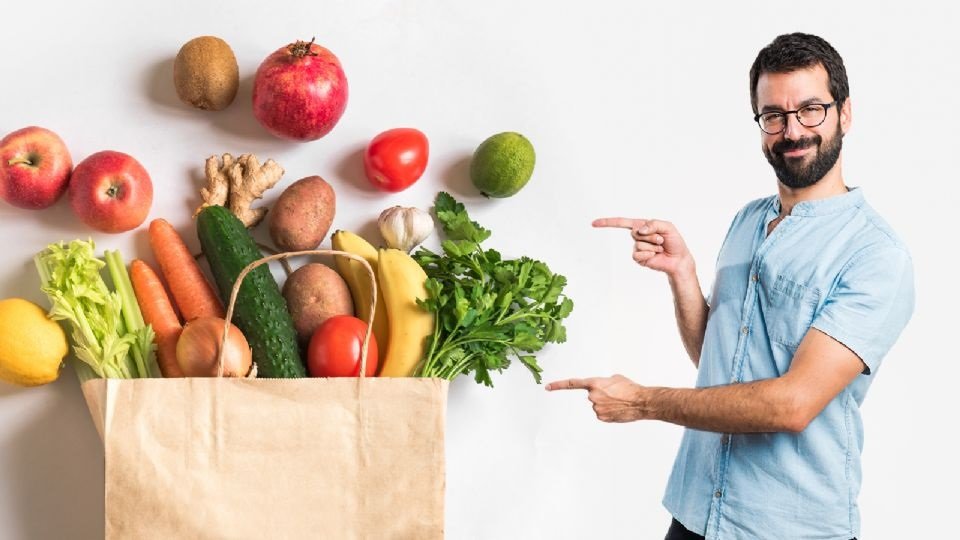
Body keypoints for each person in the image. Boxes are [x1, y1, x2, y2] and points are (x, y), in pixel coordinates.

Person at [546, 32, 914, 540]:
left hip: (789, 529)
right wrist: (683, 275)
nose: (792, 131)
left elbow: (791, 405)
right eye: (774, 116)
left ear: (844, 114)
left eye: (811, 109)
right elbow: (717, 362)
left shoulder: (874, 255)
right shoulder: (749, 220)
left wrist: (642, 402)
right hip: (695, 512)